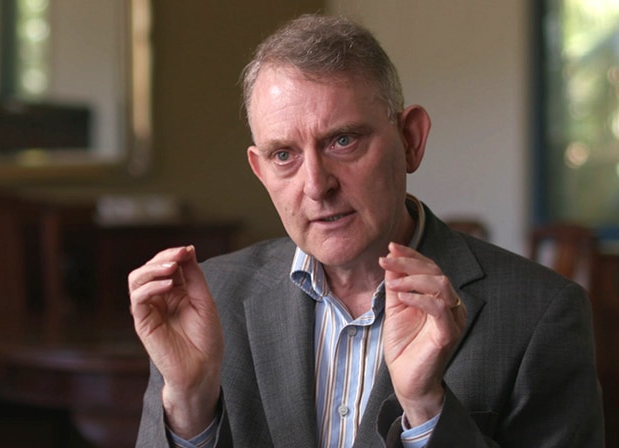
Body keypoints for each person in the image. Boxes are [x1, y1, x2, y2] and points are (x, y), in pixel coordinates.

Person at [128, 13, 604, 447]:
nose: (316, 186)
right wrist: (189, 405)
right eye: (284, 155)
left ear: (411, 141)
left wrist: (427, 411)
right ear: (260, 171)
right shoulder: (210, 300)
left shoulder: (542, 313)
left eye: (342, 141)